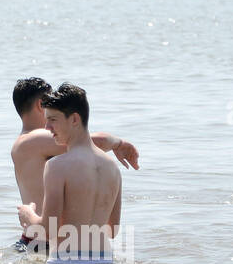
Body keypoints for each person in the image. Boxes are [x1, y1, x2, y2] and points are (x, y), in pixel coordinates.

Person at [10, 77, 138, 254]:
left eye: (53, 118)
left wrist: (27, 214)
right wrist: (119, 143)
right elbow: (90, 141)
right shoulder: (34, 139)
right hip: (49, 242)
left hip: (42, 240)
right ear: (41, 105)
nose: (49, 126)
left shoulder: (26, 144)